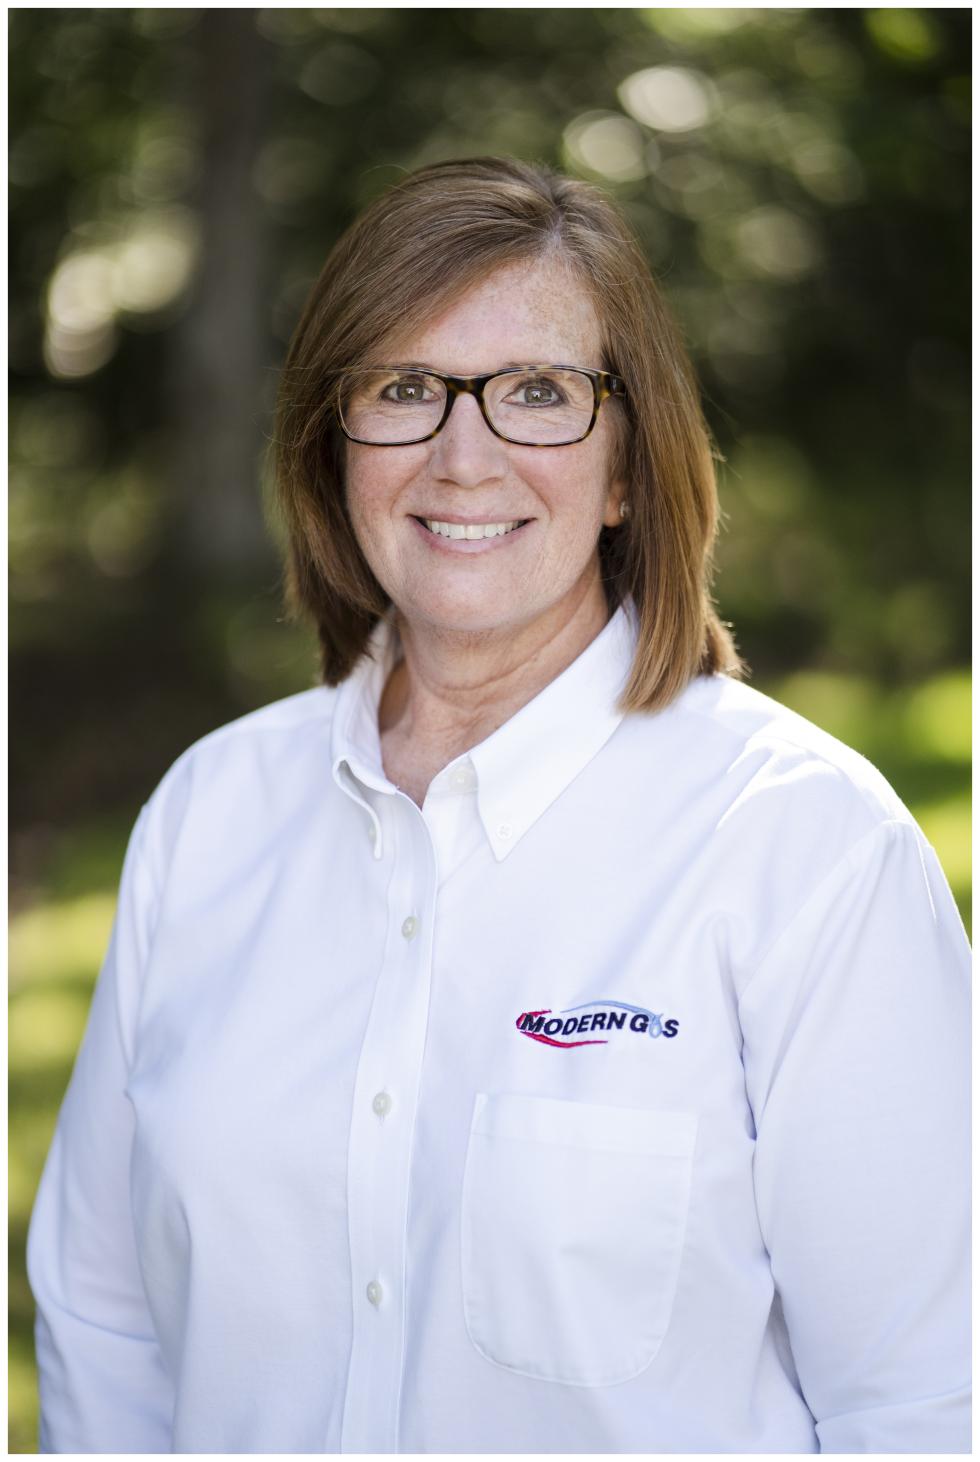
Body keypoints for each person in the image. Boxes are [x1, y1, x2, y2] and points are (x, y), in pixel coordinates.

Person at [28, 156, 969, 1455]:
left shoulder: (804, 847)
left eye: (538, 392)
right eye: (406, 389)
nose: (464, 457)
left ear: (631, 467)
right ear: (332, 443)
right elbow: (103, 1320)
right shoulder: (211, 815)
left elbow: (924, 1403)